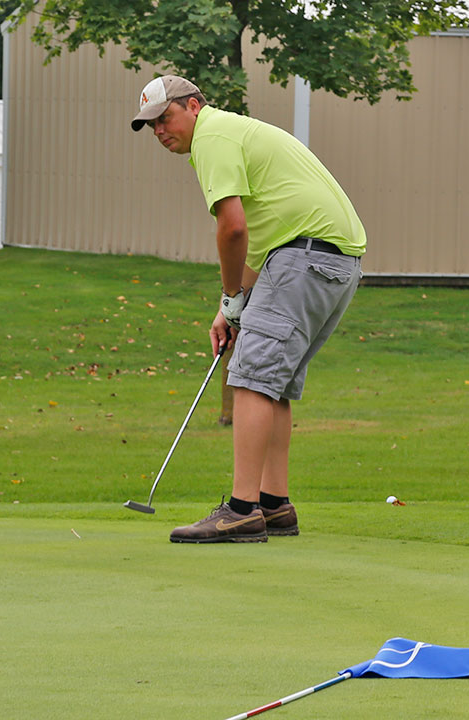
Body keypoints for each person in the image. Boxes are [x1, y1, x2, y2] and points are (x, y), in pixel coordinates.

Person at [131, 75, 366, 542]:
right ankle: (274, 504)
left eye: (165, 118)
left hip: (302, 257)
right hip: (331, 261)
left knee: (251, 378)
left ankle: (241, 510)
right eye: (150, 125)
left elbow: (234, 229)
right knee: (271, 383)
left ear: (194, 105)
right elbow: (263, 238)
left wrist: (231, 297)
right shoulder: (235, 131)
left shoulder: (213, 137)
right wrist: (234, 306)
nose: (159, 130)